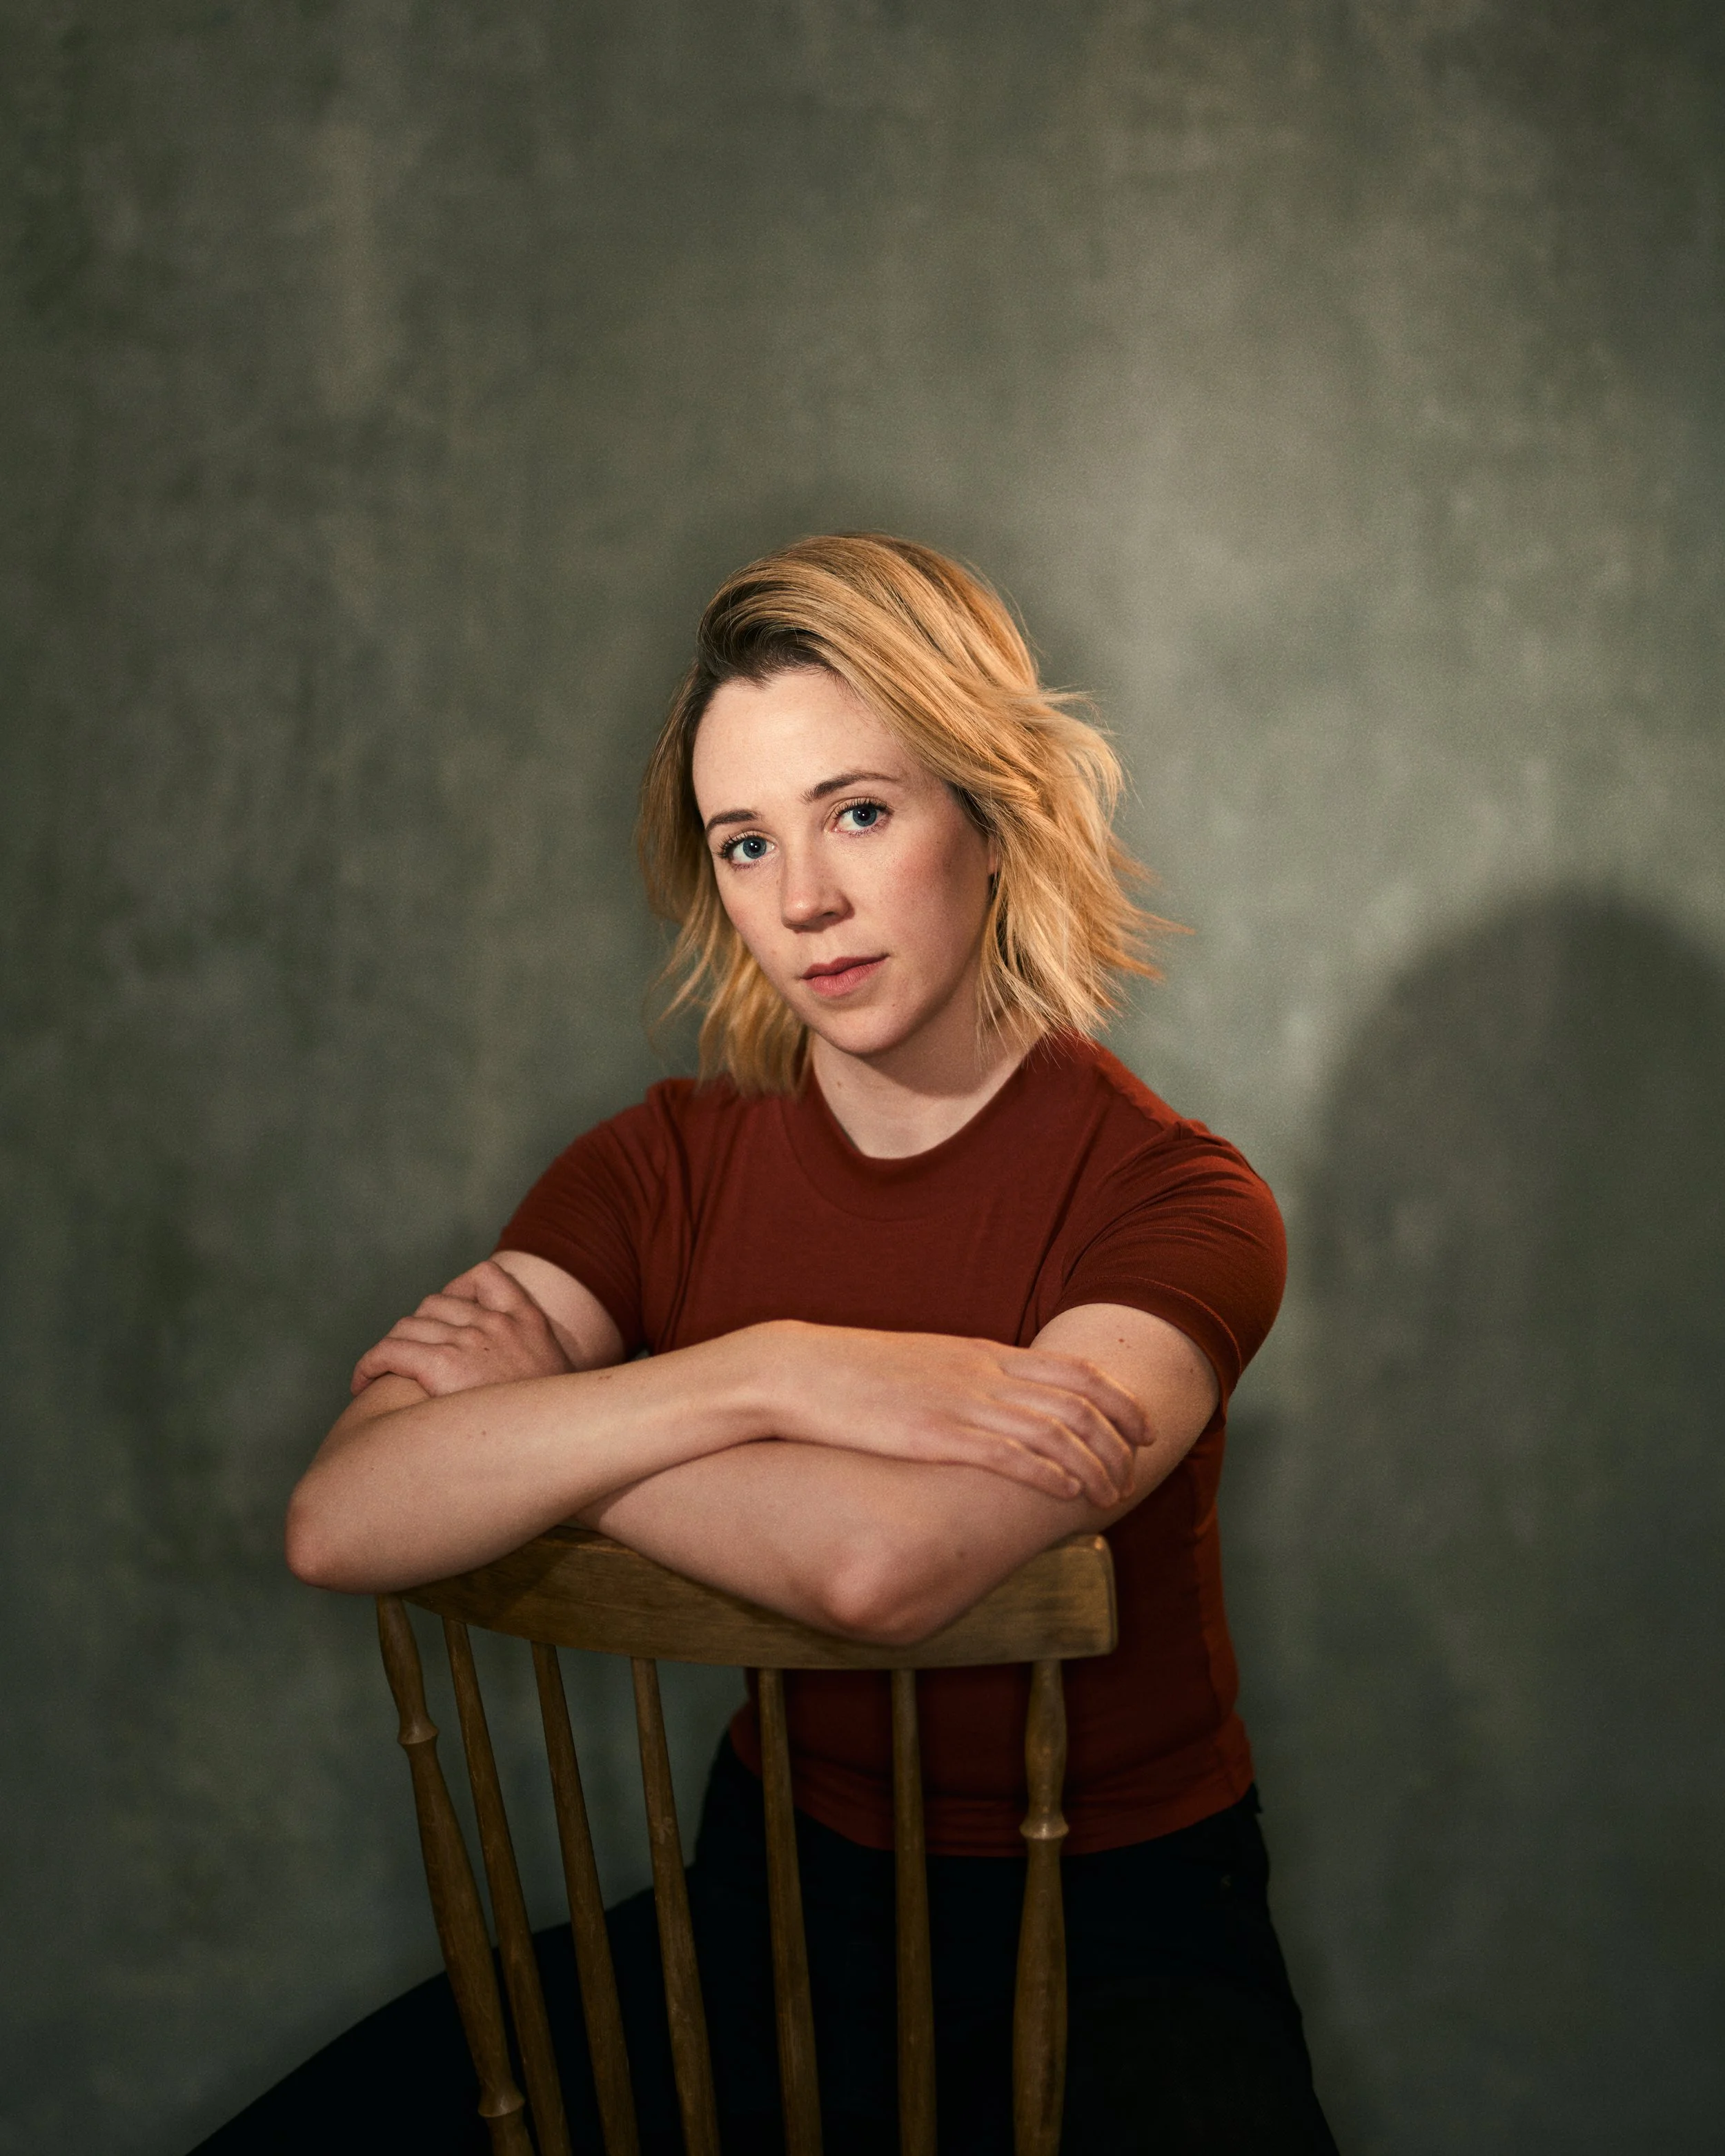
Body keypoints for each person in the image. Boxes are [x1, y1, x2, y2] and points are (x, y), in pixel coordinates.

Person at [261, 535, 1336, 2155]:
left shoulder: (1178, 1204)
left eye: (857, 812)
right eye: (743, 842)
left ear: (992, 815)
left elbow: (876, 1570)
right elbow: (344, 1516)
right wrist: (765, 1369)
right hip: (778, 1896)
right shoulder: (661, 1163)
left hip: (1116, 1931)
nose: (803, 900)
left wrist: (557, 1424)